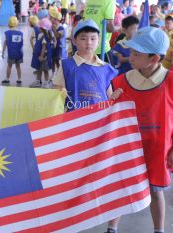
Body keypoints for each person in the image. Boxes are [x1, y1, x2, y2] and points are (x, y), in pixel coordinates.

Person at [109, 26, 173, 233]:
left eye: (137, 54)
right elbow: (110, 116)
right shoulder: (121, 82)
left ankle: (158, 229)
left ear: (154, 59)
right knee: (120, 187)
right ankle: (112, 227)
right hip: (127, 148)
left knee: (156, 191)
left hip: (158, 150)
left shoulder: (171, 81)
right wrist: (111, 100)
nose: (131, 56)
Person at [53, 19, 118, 111]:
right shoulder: (66, 66)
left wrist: (116, 96)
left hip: (100, 120)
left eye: (93, 38)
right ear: (74, 41)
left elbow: (109, 97)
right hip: (75, 120)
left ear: (98, 41)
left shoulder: (105, 68)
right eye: (83, 38)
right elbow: (58, 94)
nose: (89, 42)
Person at [30, 17, 53, 88]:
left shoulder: (44, 36)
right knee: (38, 69)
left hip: (43, 57)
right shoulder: (41, 35)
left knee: (45, 69)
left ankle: (46, 82)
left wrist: (41, 56)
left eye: (39, 27)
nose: (38, 28)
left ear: (42, 28)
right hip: (39, 55)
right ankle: (37, 81)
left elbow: (44, 47)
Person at [1, 16, 23, 85]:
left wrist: (3, 52)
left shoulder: (7, 33)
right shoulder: (20, 33)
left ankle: (7, 79)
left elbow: (5, 43)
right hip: (19, 53)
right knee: (18, 66)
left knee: (9, 66)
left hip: (11, 53)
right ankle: (19, 79)